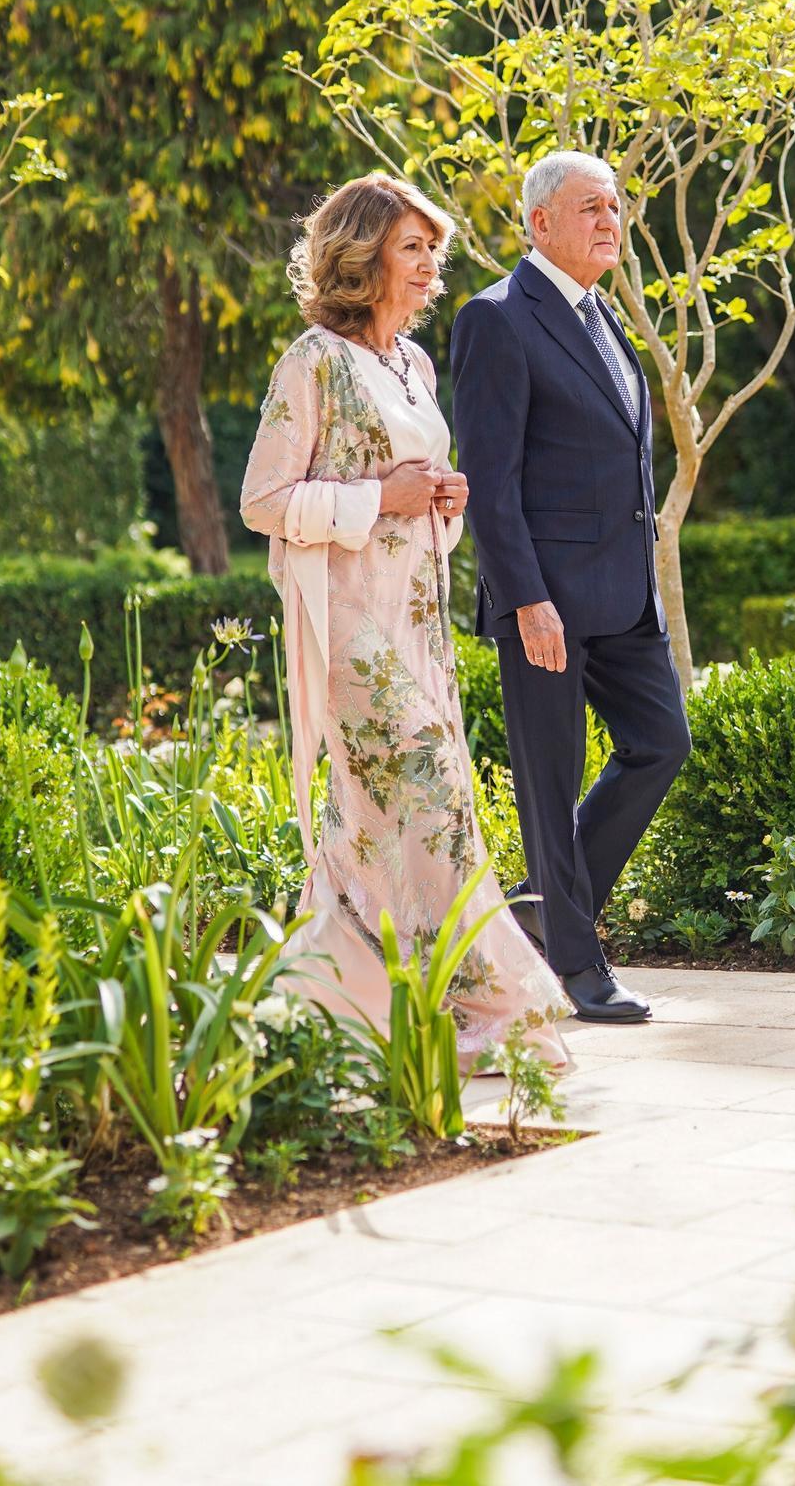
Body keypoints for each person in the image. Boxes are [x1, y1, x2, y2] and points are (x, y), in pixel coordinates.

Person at [239, 172, 568, 1067]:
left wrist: (442, 503)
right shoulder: (311, 362)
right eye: (412, 249)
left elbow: (417, 508)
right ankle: (476, 1000)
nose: (432, 267)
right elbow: (262, 501)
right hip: (346, 624)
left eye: (435, 250)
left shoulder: (414, 368)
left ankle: (340, 1002)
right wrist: (381, 496)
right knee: (429, 791)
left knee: (386, 816)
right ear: (362, 256)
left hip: (418, 622)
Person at [450, 152, 692, 1024]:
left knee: (661, 742)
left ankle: (544, 915)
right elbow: (490, 473)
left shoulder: (607, 318)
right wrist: (524, 597)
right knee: (548, 782)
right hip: (544, 600)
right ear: (539, 222)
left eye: (617, 206)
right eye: (591, 206)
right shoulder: (497, 321)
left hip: (625, 597)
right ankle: (578, 965)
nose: (610, 219)